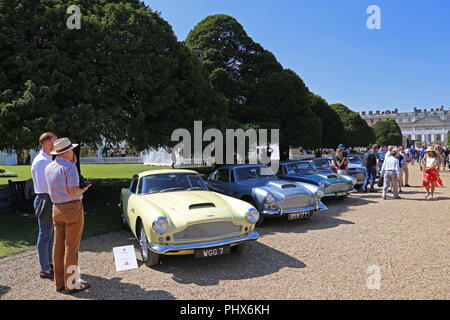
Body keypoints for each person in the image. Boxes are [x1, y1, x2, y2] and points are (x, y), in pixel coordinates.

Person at [45, 138, 92, 293]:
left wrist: (73, 162)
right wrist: (85, 188)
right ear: (66, 152)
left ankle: (59, 283)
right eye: (71, 150)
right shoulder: (70, 167)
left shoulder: (49, 167)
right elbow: (73, 191)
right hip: (72, 209)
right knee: (71, 248)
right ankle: (71, 285)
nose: (73, 152)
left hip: (56, 209)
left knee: (58, 247)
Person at [31, 132, 58, 280]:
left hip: (48, 199)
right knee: (44, 234)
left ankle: (48, 263)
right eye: (55, 141)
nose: (56, 144)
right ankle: (44, 269)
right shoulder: (42, 161)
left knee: (49, 234)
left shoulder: (47, 158)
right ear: (47, 143)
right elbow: (45, 186)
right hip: (45, 199)